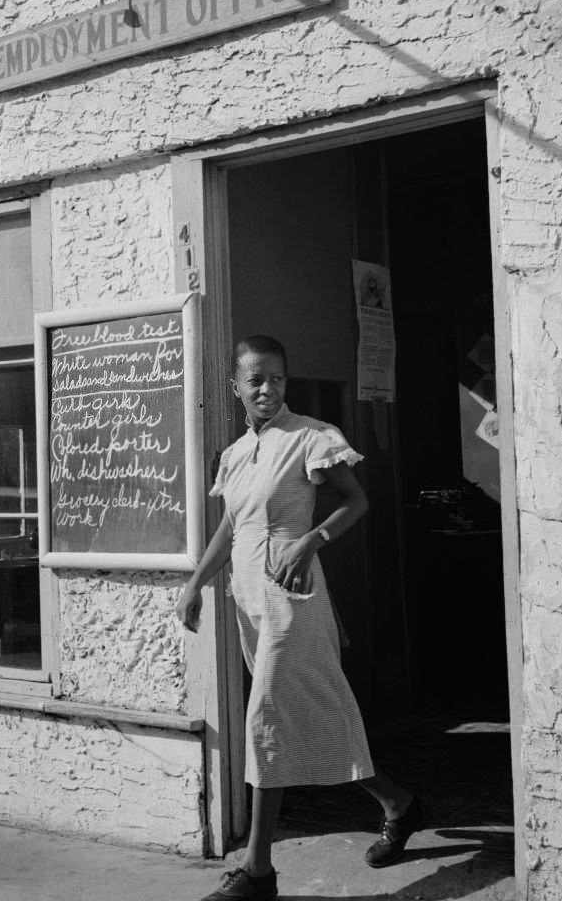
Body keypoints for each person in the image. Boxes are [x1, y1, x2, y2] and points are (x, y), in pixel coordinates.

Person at [177, 335, 425, 901]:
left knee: (267, 718)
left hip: (293, 598)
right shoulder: (236, 455)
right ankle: (399, 804)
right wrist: (195, 584)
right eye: (256, 380)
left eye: (277, 378)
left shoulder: (311, 437)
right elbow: (231, 528)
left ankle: (257, 870)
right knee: (311, 714)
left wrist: (311, 541)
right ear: (235, 387)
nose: (268, 389)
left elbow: (356, 501)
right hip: (249, 601)